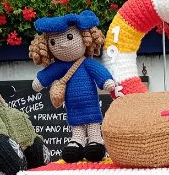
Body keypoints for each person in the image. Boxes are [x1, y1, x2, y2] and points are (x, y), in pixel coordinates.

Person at [29, 10, 115, 163]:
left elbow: (100, 73)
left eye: (69, 37)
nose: (62, 44)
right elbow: (46, 76)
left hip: (90, 105)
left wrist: (106, 81)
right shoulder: (60, 66)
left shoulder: (87, 63)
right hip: (73, 108)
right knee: (77, 128)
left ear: (84, 37)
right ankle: (77, 143)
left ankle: (95, 142)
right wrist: (39, 81)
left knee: (93, 126)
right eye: (53, 42)